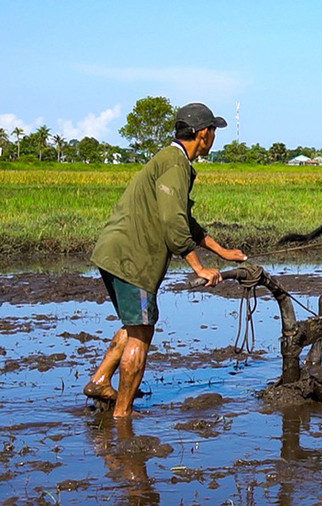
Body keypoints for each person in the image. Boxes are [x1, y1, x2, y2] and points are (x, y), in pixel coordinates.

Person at [83, 102, 248, 418]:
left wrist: (223, 252)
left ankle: (101, 380)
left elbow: (185, 220)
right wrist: (199, 267)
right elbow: (174, 223)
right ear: (202, 133)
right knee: (142, 335)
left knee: (134, 327)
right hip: (134, 258)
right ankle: (122, 414)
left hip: (114, 252)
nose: (214, 137)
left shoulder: (171, 159)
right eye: (213, 130)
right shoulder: (175, 165)